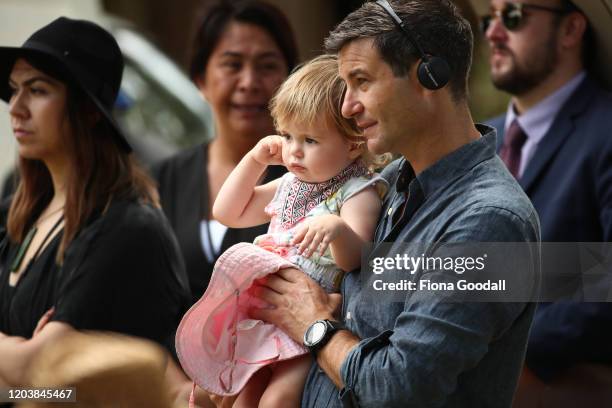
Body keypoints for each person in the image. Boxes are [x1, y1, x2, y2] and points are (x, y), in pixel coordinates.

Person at [240, 1, 541, 407]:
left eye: (361, 81)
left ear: (429, 75)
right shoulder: (390, 180)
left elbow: (397, 388)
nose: (346, 106)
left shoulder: (488, 221)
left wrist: (314, 324)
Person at [176, 54, 388, 408]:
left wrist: (337, 229)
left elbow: (356, 260)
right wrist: (255, 160)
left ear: (353, 143)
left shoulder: (357, 192)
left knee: (278, 399)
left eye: (310, 140)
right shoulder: (291, 184)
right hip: (262, 312)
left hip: (304, 317)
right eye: (287, 135)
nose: (294, 151)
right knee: (241, 397)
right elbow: (227, 211)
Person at [0, 16, 191, 397]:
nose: (15, 108)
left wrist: (23, 371)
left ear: (88, 110)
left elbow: (44, 382)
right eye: (14, 90)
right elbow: (30, 384)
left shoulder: (126, 227)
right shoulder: (14, 214)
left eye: (37, 90)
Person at [473, 0, 612, 405]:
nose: (493, 34)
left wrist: (490, 347)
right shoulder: (477, 144)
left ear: (570, 30)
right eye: (488, 19)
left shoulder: (605, 132)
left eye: (513, 16)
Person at [153, 0, 297, 305]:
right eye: (232, 64)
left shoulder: (316, 179)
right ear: (201, 80)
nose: (249, 83)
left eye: (267, 66)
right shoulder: (160, 182)